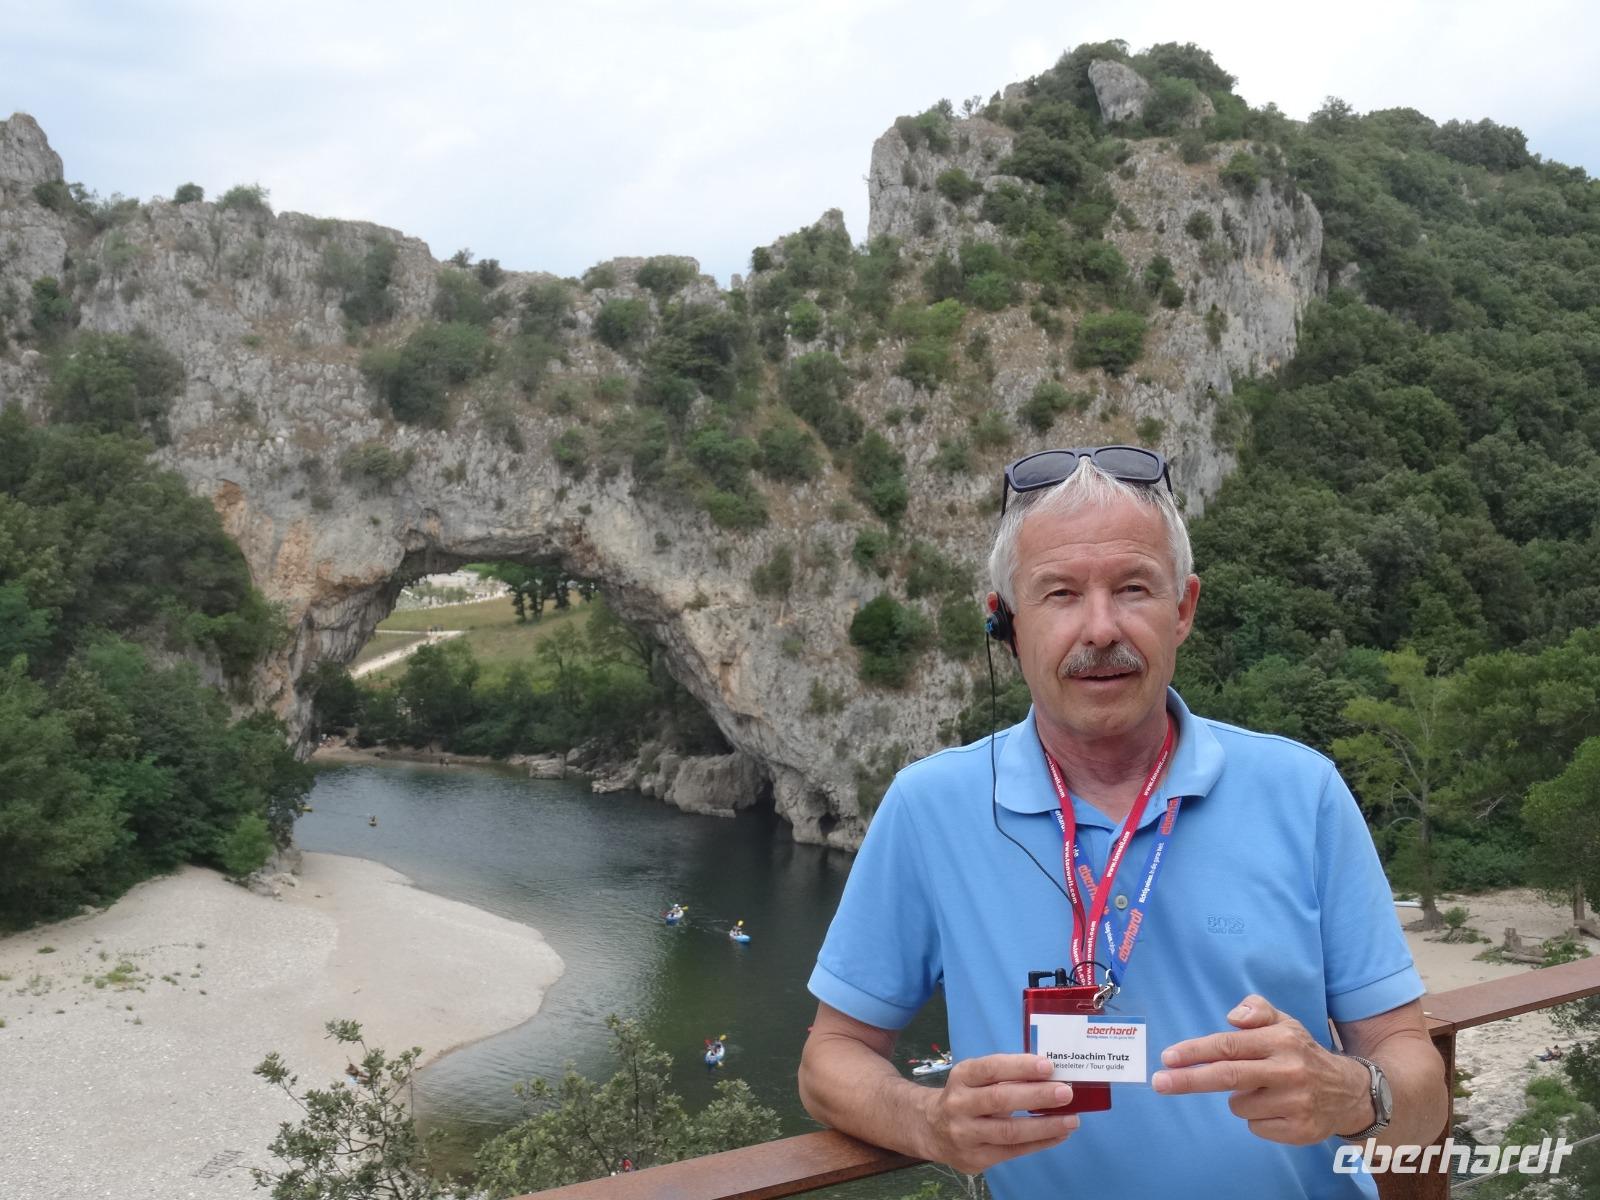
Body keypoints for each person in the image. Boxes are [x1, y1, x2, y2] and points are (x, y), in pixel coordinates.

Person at [799, 447, 1448, 1199]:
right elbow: (829, 1060)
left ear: (1184, 610)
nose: (1100, 628)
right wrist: (928, 1121)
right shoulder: (930, 807)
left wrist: (1353, 1093)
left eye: (1133, 588)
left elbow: (1418, 1084)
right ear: (1005, 623)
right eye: (1061, 594)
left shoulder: (1302, 792)